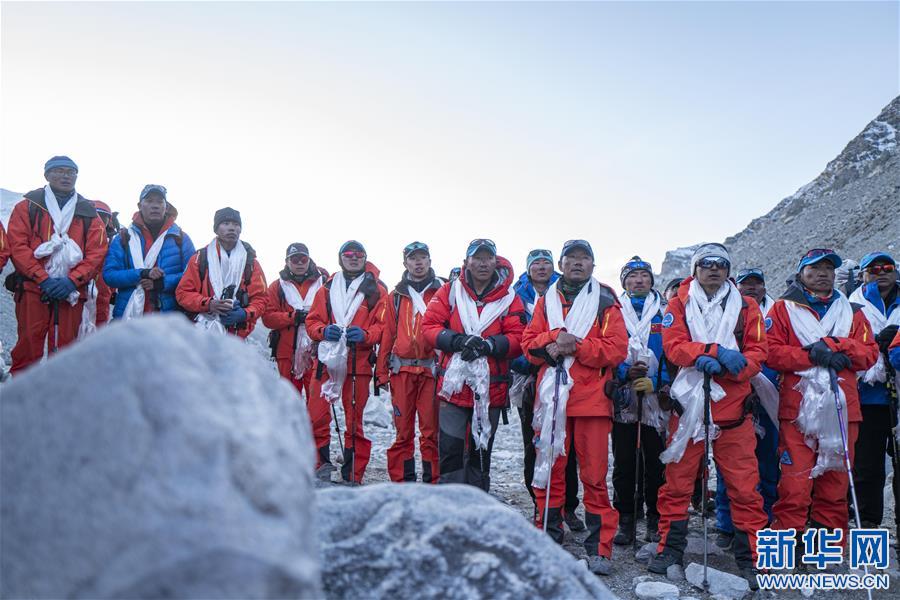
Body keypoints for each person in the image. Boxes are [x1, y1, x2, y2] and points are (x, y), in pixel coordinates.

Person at [649, 243, 768, 588]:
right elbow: (673, 345)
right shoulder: (677, 304)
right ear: (695, 269)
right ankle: (669, 549)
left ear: (728, 269)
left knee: (745, 488)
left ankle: (752, 557)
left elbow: (760, 351)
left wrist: (734, 366)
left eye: (720, 264)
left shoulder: (747, 308)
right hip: (690, 408)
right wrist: (711, 352)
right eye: (706, 264)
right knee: (677, 485)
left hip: (734, 412)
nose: (713, 269)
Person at [521, 239, 628, 576]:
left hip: (592, 401)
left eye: (585, 259)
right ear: (562, 264)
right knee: (549, 470)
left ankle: (599, 546)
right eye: (572, 258)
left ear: (593, 265)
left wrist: (576, 345)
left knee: (594, 476)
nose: (578, 264)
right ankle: (548, 537)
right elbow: (528, 344)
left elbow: (616, 350)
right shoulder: (547, 300)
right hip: (553, 400)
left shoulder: (606, 300)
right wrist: (554, 338)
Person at [767, 249, 878, 563]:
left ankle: (827, 550)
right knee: (795, 482)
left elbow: (869, 354)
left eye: (829, 268)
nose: (823, 273)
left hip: (843, 409)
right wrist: (811, 356)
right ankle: (787, 547)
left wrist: (835, 345)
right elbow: (770, 353)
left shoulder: (853, 312)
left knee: (835, 482)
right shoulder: (782, 309)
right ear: (801, 273)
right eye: (814, 268)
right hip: (798, 411)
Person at [422, 238, 526, 491]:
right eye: (477, 258)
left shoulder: (509, 298)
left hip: (490, 388)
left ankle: (477, 501)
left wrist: (489, 345)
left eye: (488, 258)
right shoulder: (449, 291)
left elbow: (519, 336)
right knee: (450, 449)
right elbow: (428, 326)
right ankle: (451, 502)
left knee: (482, 451)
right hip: (454, 388)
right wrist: (456, 340)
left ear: (495, 261)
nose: (482, 263)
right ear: (466, 262)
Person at [6, 156, 106, 373]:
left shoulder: (89, 213)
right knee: (29, 343)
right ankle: (24, 399)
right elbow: (17, 245)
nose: (66, 176)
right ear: (47, 175)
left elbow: (97, 253)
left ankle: (60, 400)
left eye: (71, 172)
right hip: (33, 289)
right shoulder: (27, 207)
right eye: (59, 171)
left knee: (66, 346)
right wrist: (42, 278)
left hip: (72, 292)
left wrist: (72, 281)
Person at [512, 249, 585, 532]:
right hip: (528, 376)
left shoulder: (567, 292)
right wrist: (538, 357)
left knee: (568, 446)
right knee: (535, 441)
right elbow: (517, 337)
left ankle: (568, 506)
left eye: (545, 262)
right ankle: (539, 503)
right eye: (535, 263)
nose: (541, 267)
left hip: (564, 374)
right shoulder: (516, 296)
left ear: (554, 266)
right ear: (528, 268)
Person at [306, 241, 387, 483]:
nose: (353, 258)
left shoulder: (377, 291)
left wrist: (366, 335)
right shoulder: (327, 289)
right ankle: (320, 464)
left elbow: (383, 327)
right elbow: (312, 322)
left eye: (359, 254)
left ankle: (353, 473)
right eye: (348, 254)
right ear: (341, 258)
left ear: (365, 257)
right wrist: (322, 330)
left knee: (354, 421)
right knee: (316, 415)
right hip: (327, 360)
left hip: (358, 361)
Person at [714, 267, 780, 549]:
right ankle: (726, 524)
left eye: (757, 283)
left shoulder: (778, 313)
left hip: (769, 397)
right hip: (734, 395)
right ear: (737, 287)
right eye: (746, 284)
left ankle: (765, 521)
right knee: (728, 465)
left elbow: (772, 352)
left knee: (766, 462)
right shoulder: (725, 311)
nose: (751, 288)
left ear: (765, 287)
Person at [611, 257, 670, 546]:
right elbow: (607, 348)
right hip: (623, 396)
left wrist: (659, 382)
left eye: (644, 276)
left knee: (656, 459)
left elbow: (673, 352)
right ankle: (626, 518)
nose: (639, 281)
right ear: (624, 282)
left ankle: (655, 517)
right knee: (624, 459)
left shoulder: (665, 311)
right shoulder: (613, 311)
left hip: (655, 398)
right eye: (632, 276)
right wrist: (624, 373)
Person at [376, 241, 444, 483]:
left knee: (430, 432)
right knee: (402, 432)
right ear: (405, 263)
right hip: (402, 370)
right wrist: (381, 372)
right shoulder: (395, 296)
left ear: (429, 261)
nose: (418, 262)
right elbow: (388, 334)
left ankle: (432, 481)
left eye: (422, 257)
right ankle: (402, 482)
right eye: (413, 258)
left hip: (431, 371)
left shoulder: (443, 291)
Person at [848, 252, 899, 528]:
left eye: (887, 267)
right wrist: (871, 346)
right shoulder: (849, 306)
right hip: (865, 398)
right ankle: (867, 536)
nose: (881, 272)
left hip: (897, 400)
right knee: (867, 471)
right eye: (873, 268)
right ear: (863, 274)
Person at [104, 185, 195, 320]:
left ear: (166, 206)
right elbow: (109, 276)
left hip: (168, 319)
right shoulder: (123, 238)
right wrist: (142, 273)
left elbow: (192, 276)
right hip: (127, 317)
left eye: (159, 201)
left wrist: (162, 283)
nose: (155, 206)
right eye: (149, 201)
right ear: (140, 205)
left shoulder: (180, 238)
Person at [175, 207, 266, 337]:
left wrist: (245, 313)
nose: (232, 228)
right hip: (201, 333)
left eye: (236, 224)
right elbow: (182, 293)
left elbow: (261, 298)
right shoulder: (200, 259)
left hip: (237, 336)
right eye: (226, 223)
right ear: (216, 229)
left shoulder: (251, 263)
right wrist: (208, 304)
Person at [261, 243, 328, 399]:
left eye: (303, 259)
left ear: (309, 260)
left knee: (317, 398)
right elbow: (268, 318)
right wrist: (293, 317)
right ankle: (289, 424)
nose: (299, 263)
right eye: (294, 259)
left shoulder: (324, 283)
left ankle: (314, 424)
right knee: (289, 397)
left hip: (317, 349)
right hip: (287, 352)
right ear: (287, 262)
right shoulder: (276, 286)